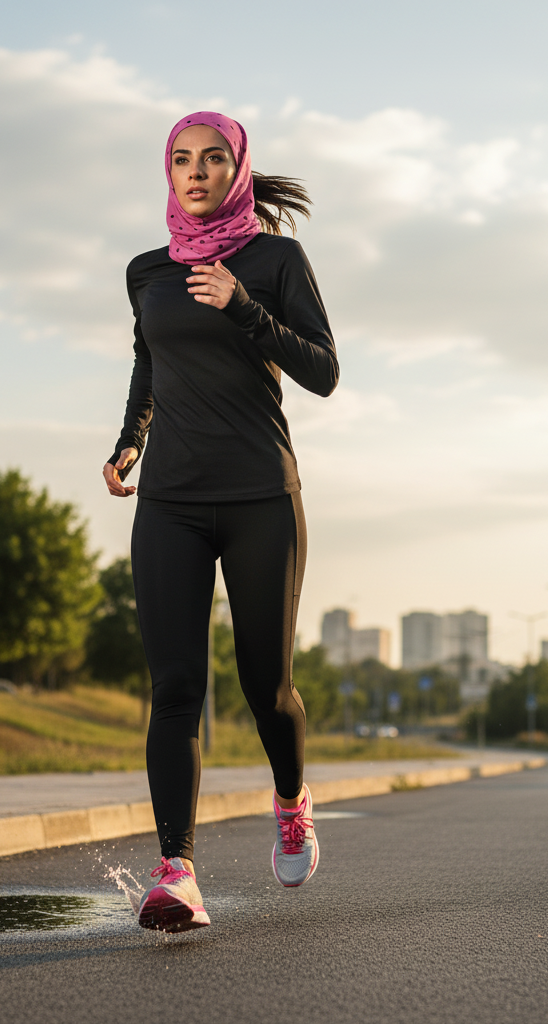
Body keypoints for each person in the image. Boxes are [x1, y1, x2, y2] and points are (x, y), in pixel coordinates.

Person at [102, 111, 338, 933]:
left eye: (212, 159)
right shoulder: (147, 271)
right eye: (180, 159)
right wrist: (130, 441)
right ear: (166, 174)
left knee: (265, 687)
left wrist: (244, 307)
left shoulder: (276, 260)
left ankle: (292, 798)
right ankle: (177, 872)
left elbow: (324, 372)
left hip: (260, 498)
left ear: (237, 169)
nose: (194, 171)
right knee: (174, 689)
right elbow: (148, 364)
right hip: (169, 500)